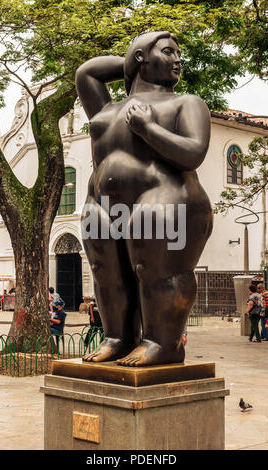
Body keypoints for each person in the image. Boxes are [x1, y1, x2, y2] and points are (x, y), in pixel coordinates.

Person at [76, 31, 212, 366]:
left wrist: (148, 128)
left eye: (178, 54)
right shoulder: (106, 107)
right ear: (141, 58)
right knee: (107, 272)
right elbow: (86, 73)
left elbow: (194, 153)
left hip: (166, 198)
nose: (178, 59)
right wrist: (129, 61)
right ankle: (117, 337)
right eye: (168, 52)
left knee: (156, 269)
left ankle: (161, 342)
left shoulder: (186, 103)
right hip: (103, 205)